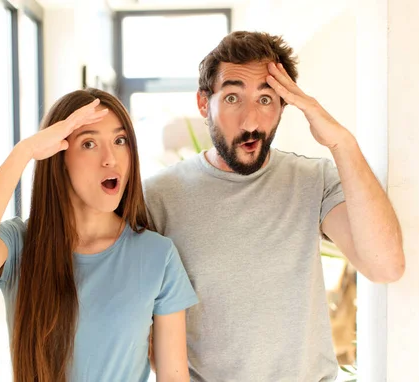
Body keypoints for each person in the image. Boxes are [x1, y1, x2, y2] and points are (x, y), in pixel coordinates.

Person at [143, 31, 405, 381]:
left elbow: (385, 266)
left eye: (266, 100)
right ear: (204, 103)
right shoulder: (158, 197)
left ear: (284, 106)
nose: (251, 121)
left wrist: (341, 142)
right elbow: (144, 327)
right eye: (233, 97)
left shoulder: (315, 181)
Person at [0, 88, 198, 382]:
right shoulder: (20, 244)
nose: (110, 158)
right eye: (89, 143)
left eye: (120, 140)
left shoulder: (158, 256)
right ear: (58, 157)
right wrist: (24, 152)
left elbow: (174, 377)